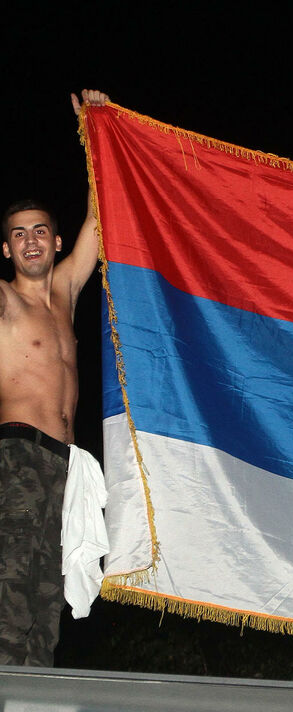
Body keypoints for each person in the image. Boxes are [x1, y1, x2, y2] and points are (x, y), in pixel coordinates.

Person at [0, 90, 109, 666]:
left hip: (65, 464)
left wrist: (95, 128)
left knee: (47, 601)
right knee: (11, 589)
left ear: (56, 241)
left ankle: (31, 700)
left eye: (39, 230)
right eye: (19, 234)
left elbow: (100, 219)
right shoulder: (5, 301)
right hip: (16, 455)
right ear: (6, 248)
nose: (31, 241)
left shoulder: (65, 291)